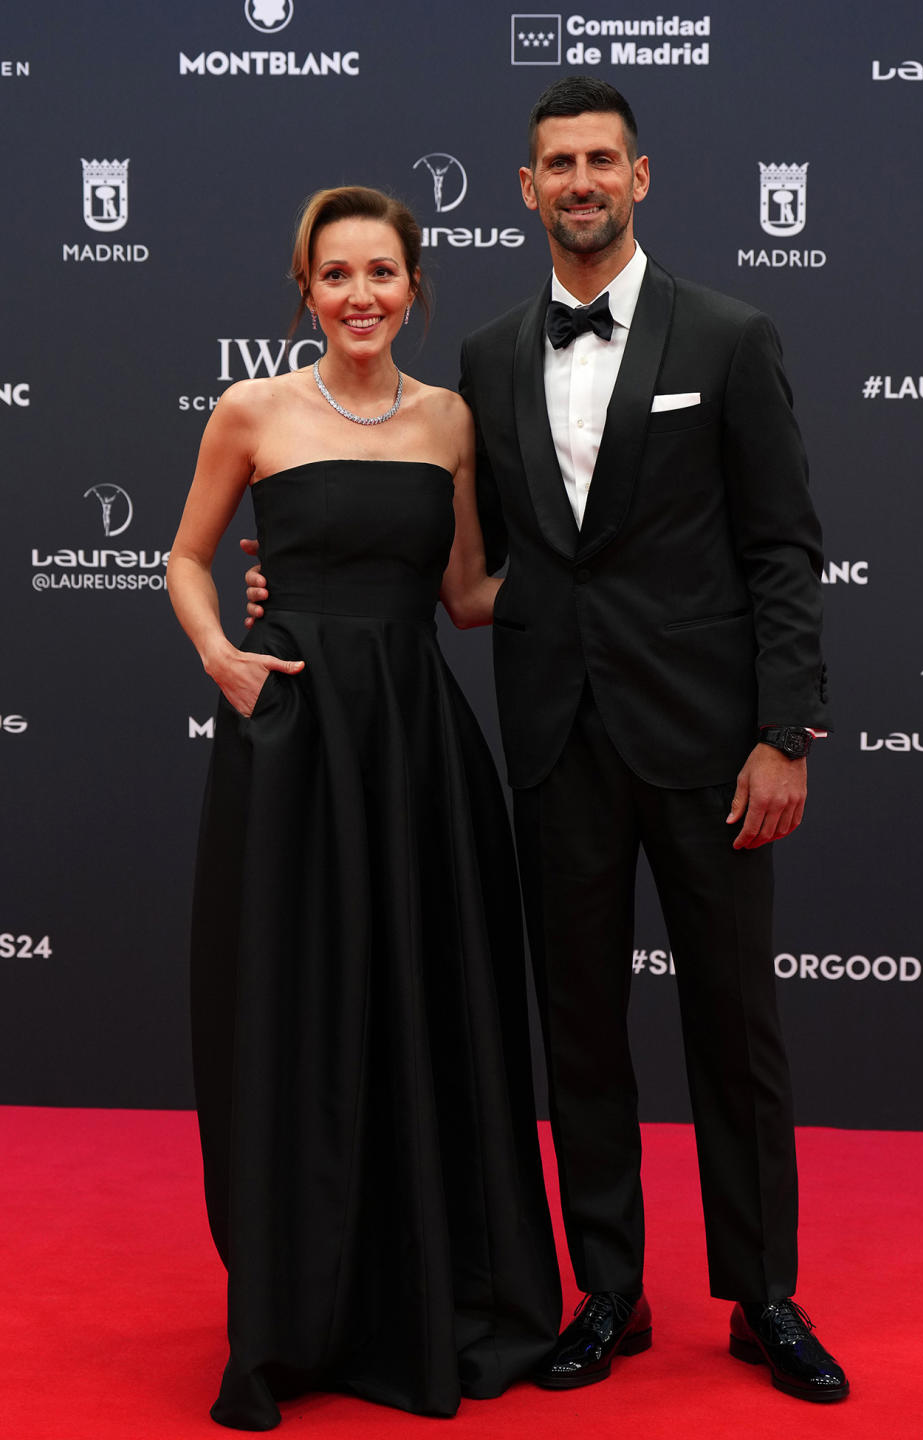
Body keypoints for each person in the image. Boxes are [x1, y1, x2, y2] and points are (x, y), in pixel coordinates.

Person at [250, 82, 849, 1403]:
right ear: (523, 191)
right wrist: (286, 591)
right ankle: (608, 1292)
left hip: (708, 746)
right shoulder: (489, 358)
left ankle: (763, 1298)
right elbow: (460, 564)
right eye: (554, 164)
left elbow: (783, 550)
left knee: (734, 1028)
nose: (578, 180)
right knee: (578, 1029)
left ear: (641, 176)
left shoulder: (733, 337)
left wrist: (783, 733)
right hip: (554, 740)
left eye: (599, 160)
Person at [168, 184, 561, 1430]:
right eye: (336, 275)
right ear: (305, 289)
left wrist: (606, 570)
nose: (360, 296)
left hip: (417, 746)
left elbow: (463, 594)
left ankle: (423, 1286)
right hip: (294, 745)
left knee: (420, 1001)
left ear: (414, 286)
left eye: (381, 273)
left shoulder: (451, 420)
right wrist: (221, 660)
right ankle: (296, 1303)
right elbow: (185, 557)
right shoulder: (252, 410)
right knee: (297, 1004)